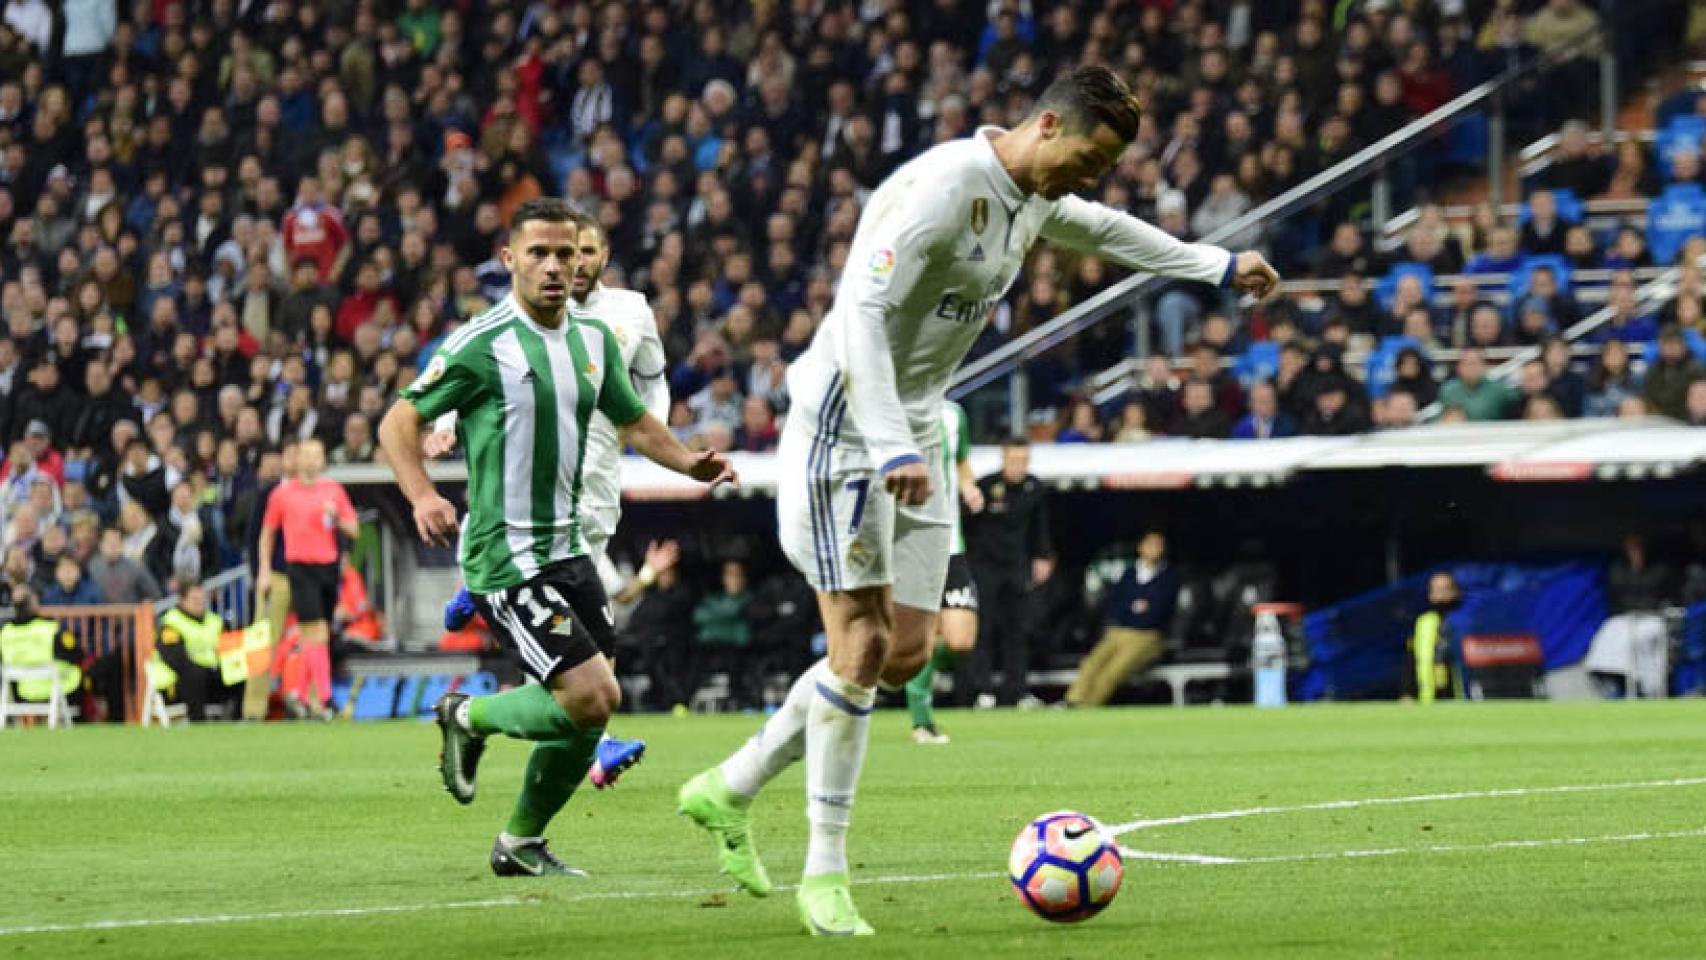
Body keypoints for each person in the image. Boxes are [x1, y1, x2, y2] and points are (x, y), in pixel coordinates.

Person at [677, 66, 1277, 936]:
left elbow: (1104, 230)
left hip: (916, 426)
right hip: (846, 430)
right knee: (861, 644)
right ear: (1045, 125)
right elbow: (858, 323)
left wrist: (1215, 264)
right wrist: (886, 444)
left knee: (908, 655)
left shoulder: (1033, 193)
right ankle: (826, 873)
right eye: (1091, 157)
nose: (1093, 177)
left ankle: (727, 787)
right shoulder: (942, 189)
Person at [378, 198, 735, 879]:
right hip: (505, 557)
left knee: (593, 716)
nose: (553, 267)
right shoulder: (481, 344)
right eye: (538, 253)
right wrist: (423, 494)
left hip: (569, 550)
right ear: (509, 260)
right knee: (592, 696)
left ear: (582, 262)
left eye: (565, 254)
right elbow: (398, 422)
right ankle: (468, 715)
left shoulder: (594, 340)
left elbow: (632, 420)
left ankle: (520, 842)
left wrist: (691, 462)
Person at [432, 209, 668, 790]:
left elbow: (652, 381)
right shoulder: (518, 325)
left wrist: (654, 437)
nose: (574, 263)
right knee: (569, 611)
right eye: (564, 252)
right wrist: (442, 420)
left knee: (590, 634)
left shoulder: (628, 313)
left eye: (584, 252)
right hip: (540, 486)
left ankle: (525, 727)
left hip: (599, 480)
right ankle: (594, 738)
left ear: (602, 255)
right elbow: (463, 374)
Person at [256, 438, 359, 720]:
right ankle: (325, 700)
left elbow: (354, 529)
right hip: (299, 568)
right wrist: (264, 569)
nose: (312, 461)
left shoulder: (333, 491)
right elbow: (267, 534)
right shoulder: (282, 494)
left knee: (317, 635)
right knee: (317, 632)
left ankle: (298, 694)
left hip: (328, 568)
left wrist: (337, 518)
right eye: (307, 455)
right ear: (297, 460)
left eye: (317, 455)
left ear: (323, 460)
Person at [903, 399, 984, 745]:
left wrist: (969, 485)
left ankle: (904, 670)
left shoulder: (954, 414)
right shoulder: (897, 409)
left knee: (961, 639)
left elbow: (962, 459)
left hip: (952, 544)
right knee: (923, 633)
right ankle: (922, 721)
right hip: (911, 541)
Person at [1064, 532, 1179, 707]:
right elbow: (1116, 605)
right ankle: (1071, 702)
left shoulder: (1169, 577)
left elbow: (1159, 610)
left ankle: (1086, 708)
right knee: (1091, 664)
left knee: (1113, 671)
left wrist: (1138, 609)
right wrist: (1136, 607)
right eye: (1150, 544)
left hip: (1147, 637)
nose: (1154, 549)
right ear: (1140, 547)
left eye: (1158, 545)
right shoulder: (1128, 574)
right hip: (1117, 633)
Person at [152, 582, 238, 722]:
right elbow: (175, 659)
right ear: (182, 601)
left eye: (203, 599)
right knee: (194, 675)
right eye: (195, 600)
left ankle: (241, 720)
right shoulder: (171, 623)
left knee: (239, 674)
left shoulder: (215, 621)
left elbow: (229, 650)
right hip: (176, 684)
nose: (200, 603)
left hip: (211, 676)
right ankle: (198, 722)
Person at [0, 586, 81, 712]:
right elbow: (77, 654)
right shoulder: (50, 628)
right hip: (59, 689)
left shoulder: (5, 632)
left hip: (24, 691)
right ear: (34, 604)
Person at [1404, 571, 1462, 703]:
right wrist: (1407, 692)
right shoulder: (1423, 622)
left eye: (1445, 589)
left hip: (1461, 697)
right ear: (1431, 594)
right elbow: (1411, 659)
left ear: (1456, 592)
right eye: (1437, 590)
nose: (1441, 595)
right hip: (1430, 697)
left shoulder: (1466, 621)